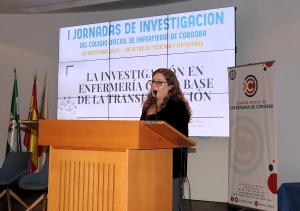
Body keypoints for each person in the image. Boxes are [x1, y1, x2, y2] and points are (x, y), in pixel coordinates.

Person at [140, 68, 192, 211]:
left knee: (171, 204)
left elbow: (179, 135)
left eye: (159, 82)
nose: (154, 86)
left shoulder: (177, 106)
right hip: (149, 160)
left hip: (170, 162)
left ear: (170, 86)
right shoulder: (148, 107)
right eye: (153, 82)